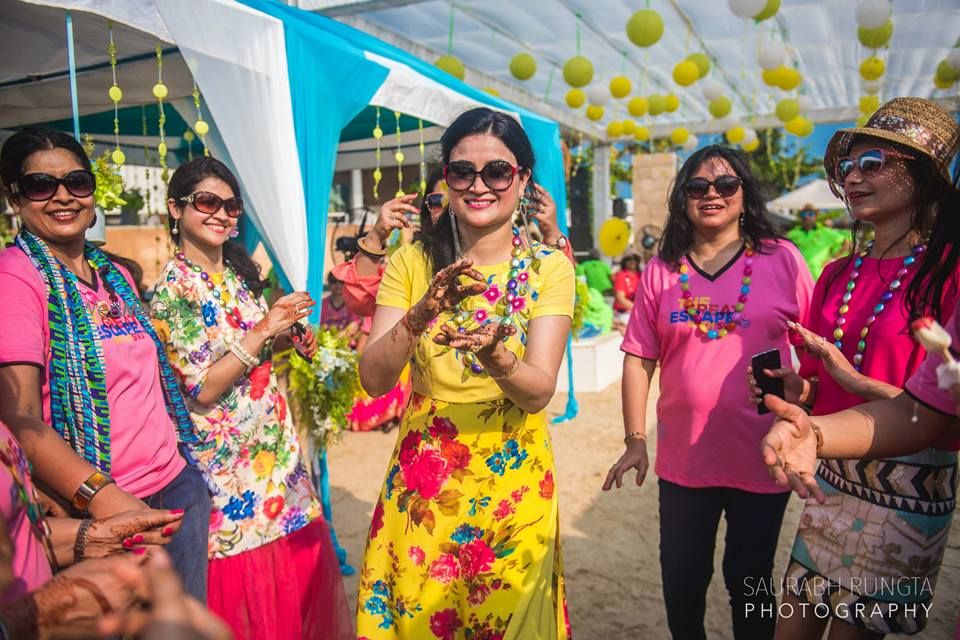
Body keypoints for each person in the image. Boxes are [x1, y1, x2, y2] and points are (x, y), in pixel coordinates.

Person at [355, 107, 574, 639]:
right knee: (418, 620)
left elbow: (539, 391)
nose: (479, 185)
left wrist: (499, 359)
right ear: (446, 180)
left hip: (513, 483)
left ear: (522, 179)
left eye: (497, 172)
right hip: (424, 483)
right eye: (462, 172)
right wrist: (423, 311)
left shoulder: (549, 268)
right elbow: (374, 378)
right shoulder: (411, 264)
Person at [748, 96, 960, 638]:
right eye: (849, 166)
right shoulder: (837, 274)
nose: (854, 178)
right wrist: (803, 392)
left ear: (924, 176)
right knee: (789, 626)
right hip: (832, 474)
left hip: (906, 481)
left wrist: (859, 383)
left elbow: (944, 418)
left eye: (874, 164)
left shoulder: (949, 273)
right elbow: (819, 388)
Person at [603, 145, 813, 640]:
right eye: (697, 187)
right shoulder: (662, 269)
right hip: (685, 463)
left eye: (726, 185)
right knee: (682, 581)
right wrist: (636, 439)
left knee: (751, 580)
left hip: (764, 457)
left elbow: (820, 347)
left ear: (745, 192)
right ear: (683, 199)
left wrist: (808, 401)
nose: (711, 195)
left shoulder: (782, 259)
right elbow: (639, 357)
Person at [0, 127, 210, 601]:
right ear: (15, 198)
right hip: (99, 514)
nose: (62, 197)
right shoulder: (16, 277)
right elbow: (19, 417)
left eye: (76, 182)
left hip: (174, 489)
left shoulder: (112, 274)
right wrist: (107, 500)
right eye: (40, 185)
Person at [151, 156, 352, 639]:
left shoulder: (238, 276)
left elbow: (248, 350)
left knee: (293, 588)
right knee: (247, 598)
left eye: (231, 205)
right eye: (207, 202)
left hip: (273, 456)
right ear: (176, 209)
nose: (222, 213)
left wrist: (287, 336)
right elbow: (202, 386)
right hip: (225, 469)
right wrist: (266, 327)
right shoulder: (171, 293)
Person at [785, 203, 848, 279]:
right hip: (798, 276)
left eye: (810, 214)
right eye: (804, 214)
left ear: (815, 216)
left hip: (818, 275)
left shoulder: (825, 232)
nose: (807, 217)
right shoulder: (793, 233)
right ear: (801, 216)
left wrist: (833, 259)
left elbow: (846, 242)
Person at [611, 252, 641, 327]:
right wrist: (639, 310)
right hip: (624, 313)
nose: (632, 261)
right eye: (629, 259)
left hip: (640, 312)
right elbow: (620, 300)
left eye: (635, 259)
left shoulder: (642, 275)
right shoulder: (621, 275)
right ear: (624, 262)